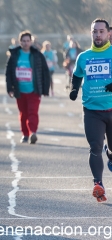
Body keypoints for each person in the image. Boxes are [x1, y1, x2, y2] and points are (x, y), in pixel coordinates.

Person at [69, 18, 112, 203]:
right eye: (95, 31)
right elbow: (77, 75)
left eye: (101, 31)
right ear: (91, 33)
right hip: (92, 110)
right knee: (94, 147)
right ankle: (98, 184)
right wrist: (74, 89)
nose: (98, 35)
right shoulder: (83, 57)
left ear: (109, 33)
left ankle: (110, 153)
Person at [5, 30, 50, 144]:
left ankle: (32, 133)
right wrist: (10, 89)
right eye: (23, 41)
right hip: (19, 90)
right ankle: (25, 134)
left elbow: (45, 71)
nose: (26, 43)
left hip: (34, 90)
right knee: (23, 113)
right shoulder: (14, 55)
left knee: (33, 112)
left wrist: (45, 89)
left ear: (31, 42)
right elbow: (9, 73)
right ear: (20, 42)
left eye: (28, 41)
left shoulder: (37, 55)